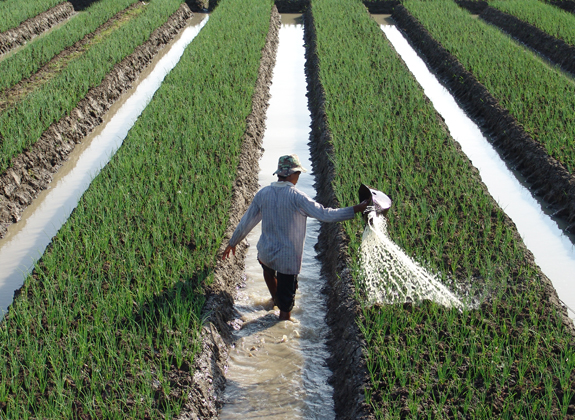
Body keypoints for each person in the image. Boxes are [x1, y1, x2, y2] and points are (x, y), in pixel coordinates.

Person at [222, 154, 369, 321]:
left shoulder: (263, 194)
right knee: (286, 307)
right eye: (298, 174)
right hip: (288, 260)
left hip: (266, 253)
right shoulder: (297, 197)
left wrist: (233, 242)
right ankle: (281, 325)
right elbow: (325, 214)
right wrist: (358, 208)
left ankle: (275, 300)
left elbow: (248, 221)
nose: (298, 177)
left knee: (268, 272)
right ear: (292, 174)